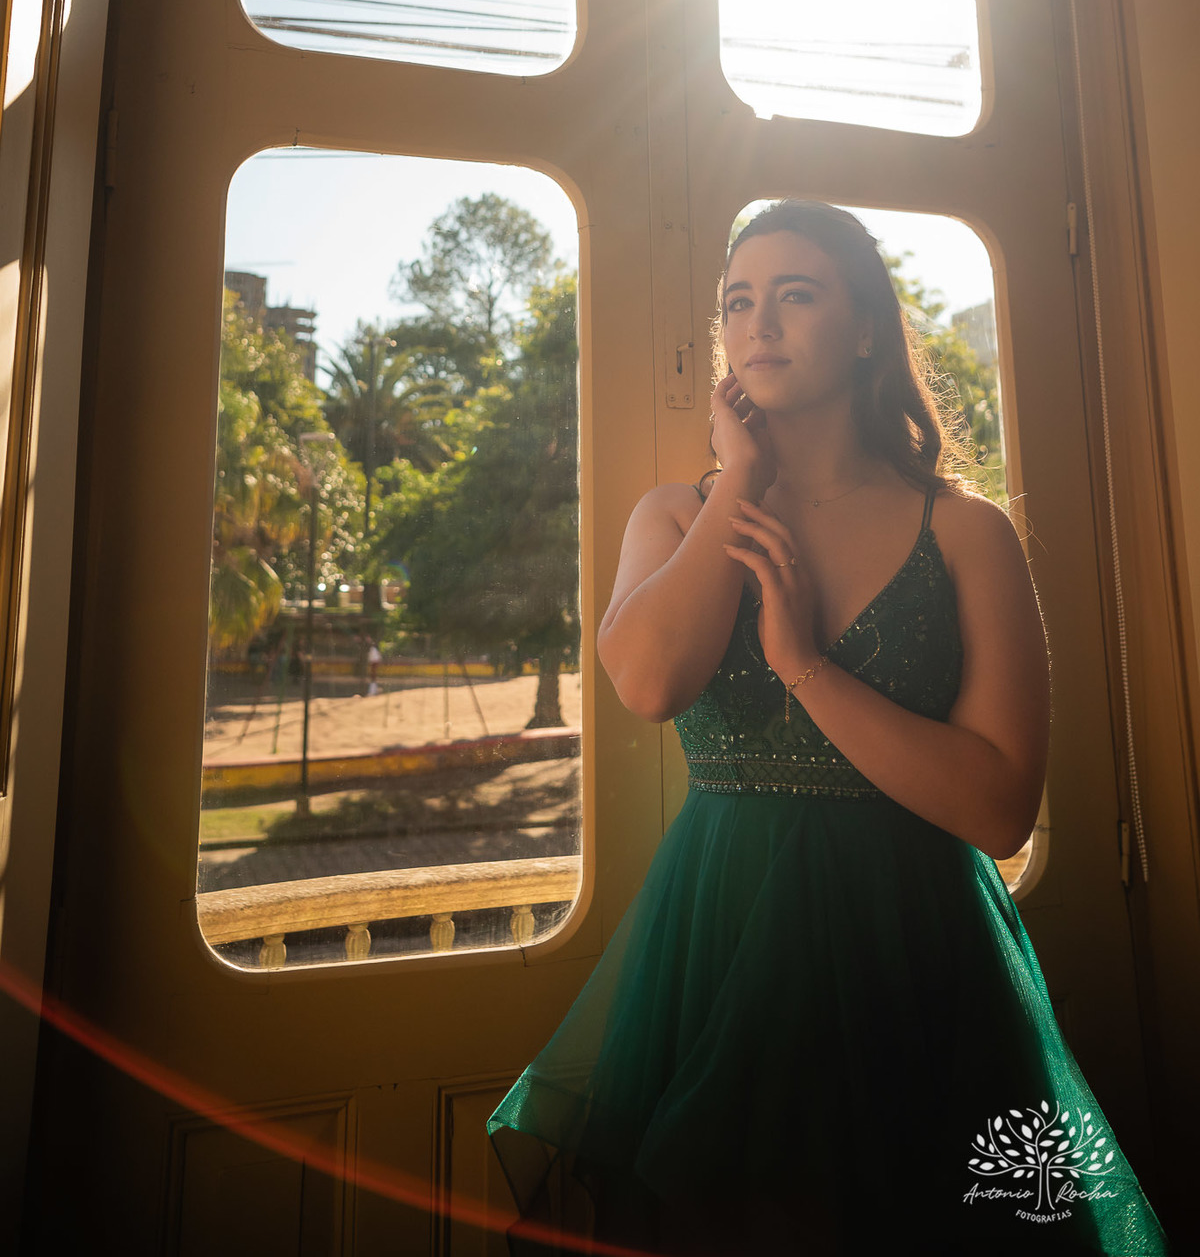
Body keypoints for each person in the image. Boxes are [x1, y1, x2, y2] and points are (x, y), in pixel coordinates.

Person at [486, 200, 1173, 1256]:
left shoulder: (966, 530)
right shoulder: (674, 516)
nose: (758, 323)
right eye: (738, 303)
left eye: (794, 295)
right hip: (713, 937)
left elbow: (1000, 809)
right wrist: (741, 486)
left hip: (914, 949)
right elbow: (650, 683)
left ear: (864, 329)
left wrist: (804, 662)